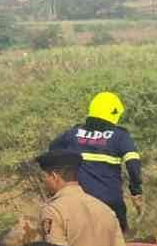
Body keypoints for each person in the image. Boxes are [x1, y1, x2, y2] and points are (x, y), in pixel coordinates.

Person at [49, 91, 143, 232]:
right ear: (114, 113)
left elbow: (52, 150)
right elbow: (133, 165)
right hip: (110, 203)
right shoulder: (120, 135)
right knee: (119, 242)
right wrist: (136, 190)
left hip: (78, 202)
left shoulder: (73, 133)